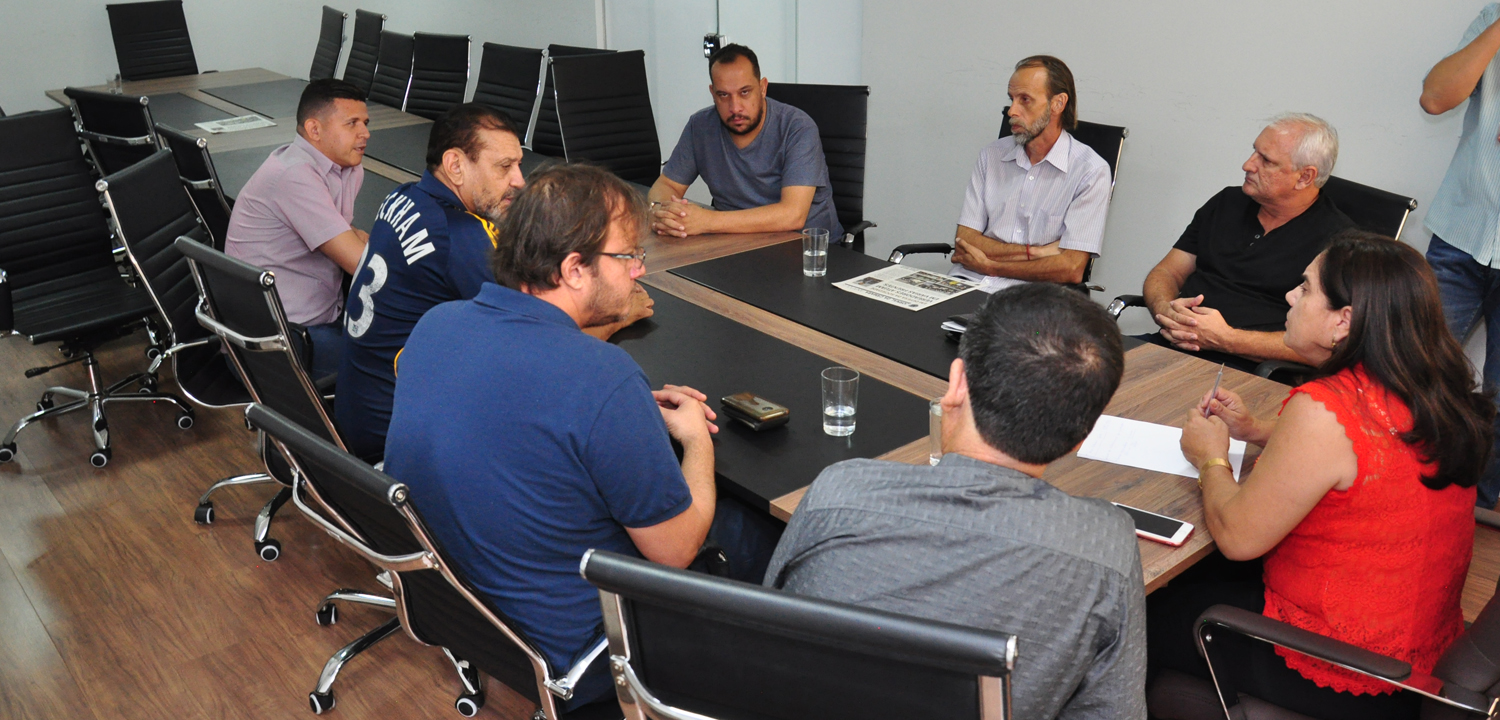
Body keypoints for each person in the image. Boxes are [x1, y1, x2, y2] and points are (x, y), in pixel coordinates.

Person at [384, 163, 779, 711]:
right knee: (769, 530)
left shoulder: (436, 325)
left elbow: (515, 413)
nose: (640, 270)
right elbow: (674, 552)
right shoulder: (602, 375)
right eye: (628, 256)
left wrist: (618, 420)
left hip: (478, 617)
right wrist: (697, 441)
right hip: (583, 649)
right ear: (573, 269)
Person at [764, 282, 1146, 720]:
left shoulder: (839, 492)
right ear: (1085, 432)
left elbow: (765, 637)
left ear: (957, 382)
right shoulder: (1107, 548)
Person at [1153, 231, 1492, 720]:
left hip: (1342, 669)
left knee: (1140, 612)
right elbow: (1372, 455)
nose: (1291, 296)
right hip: (1417, 657)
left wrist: (1211, 457)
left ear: (1344, 321)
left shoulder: (1327, 409)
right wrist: (1258, 430)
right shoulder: (1432, 387)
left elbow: (1238, 537)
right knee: (1199, 580)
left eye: (1306, 288)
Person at [335, 104, 652, 461]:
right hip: (402, 442)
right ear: (455, 166)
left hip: (358, 415)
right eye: (504, 167)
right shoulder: (460, 239)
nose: (519, 180)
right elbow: (547, 348)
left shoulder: (404, 195)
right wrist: (618, 317)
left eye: (518, 164)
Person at [1139, 113, 1354, 373]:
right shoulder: (1226, 202)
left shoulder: (1340, 243)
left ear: (1305, 177)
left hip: (1249, 373)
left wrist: (1226, 339)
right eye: (1254, 152)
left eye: (1266, 161)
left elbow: (1325, 348)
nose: (1248, 165)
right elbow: (1167, 271)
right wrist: (1166, 311)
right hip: (1169, 346)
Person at [225, 78, 370, 379]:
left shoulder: (347, 168)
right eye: (352, 123)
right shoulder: (294, 175)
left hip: (317, 318)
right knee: (402, 360)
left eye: (365, 123)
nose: (365, 133)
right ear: (314, 129)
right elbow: (361, 262)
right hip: (280, 343)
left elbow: (349, 235)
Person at [1420, 5, 1500, 509]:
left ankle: (1478, 518)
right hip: (1462, 233)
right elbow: (1435, 98)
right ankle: (1393, 493)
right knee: (1406, 370)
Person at [948, 55, 1112, 293]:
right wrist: (1035, 252)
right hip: (968, 284)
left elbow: (1071, 268)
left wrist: (991, 265)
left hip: (1035, 299)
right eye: (1011, 99)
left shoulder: (1091, 171)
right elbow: (964, 242)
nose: (1012, 111)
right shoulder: (991, 155)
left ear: (1058, 103)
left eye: (1025, 100)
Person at [648, 43, 843, 241]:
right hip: (734, 244)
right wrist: (666, 214)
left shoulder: (798, 128)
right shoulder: (700, 126)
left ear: (763, 87)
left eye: (744, 92)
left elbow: (793, 215)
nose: (735, 107)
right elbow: (667, 185)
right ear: (712, 93)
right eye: (723, 95)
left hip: (808, 252)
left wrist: (707, 221)